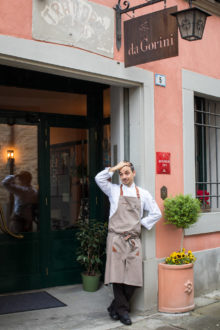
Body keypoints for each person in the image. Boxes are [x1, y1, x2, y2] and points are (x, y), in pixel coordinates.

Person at [95, 161, 161, 326]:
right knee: (117, 277)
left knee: (133, 278)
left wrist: (140, 224)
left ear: (133, 173)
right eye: (121, 174)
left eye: (126, 173)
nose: (124, 176)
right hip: (116, 238)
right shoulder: (114, 190)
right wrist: (115, 168)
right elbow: (99, 178)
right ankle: (123, 311)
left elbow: (156, 213)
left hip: (133, 239)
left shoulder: (143, 194)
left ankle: (114, 307)